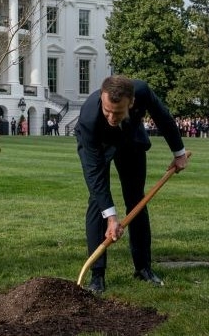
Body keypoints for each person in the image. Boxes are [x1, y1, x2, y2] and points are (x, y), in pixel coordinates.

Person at [76, 75, 190, 293]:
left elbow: (163, 118)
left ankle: (143, 268)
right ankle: (97, 276)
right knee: (97, 203)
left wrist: (179, 153)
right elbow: (94, 174)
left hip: (131, 141)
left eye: (117, 112)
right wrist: (111, 217)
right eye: (107, 110)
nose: (111, 116)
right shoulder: (89, 117)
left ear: (132, 102)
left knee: (136, 199)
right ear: (102, 97)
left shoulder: (142, 92)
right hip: (98, 145)